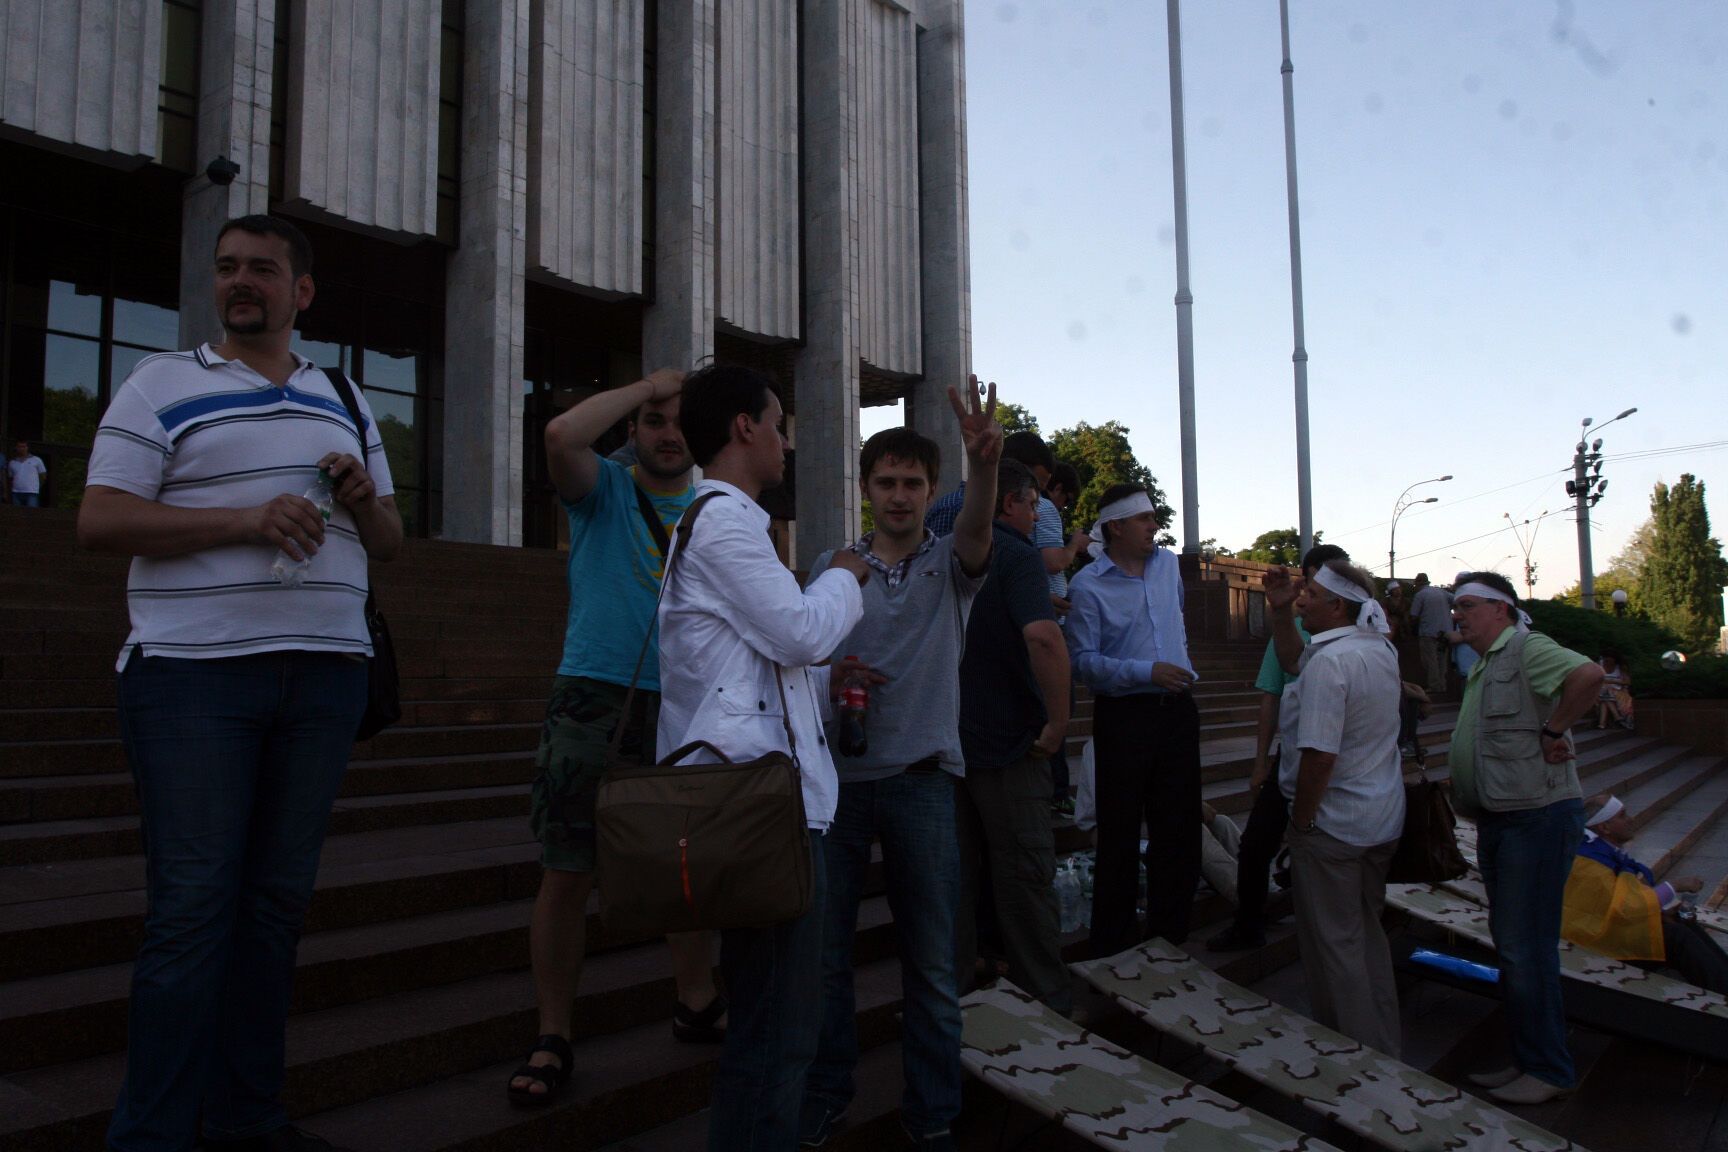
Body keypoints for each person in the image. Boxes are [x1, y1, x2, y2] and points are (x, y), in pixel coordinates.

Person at [78, 214, 402, 1152]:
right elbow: (98, 521)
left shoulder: (344, 393)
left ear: (303, 292)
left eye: (262, 269)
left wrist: (359, 498)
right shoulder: (162, 383)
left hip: (327, 676)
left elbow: (388, 547)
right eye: (227, 269)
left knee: (272, 913)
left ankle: (248, 1117)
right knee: (192, 914)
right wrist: (244, 519)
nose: (240, 283)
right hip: (193, 680)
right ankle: (152, 1134)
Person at [655, 364, 870, 1152]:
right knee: (778, 1029)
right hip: (759, 810)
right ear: (744, 427)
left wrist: (821, 675)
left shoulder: (724, 523)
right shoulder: (721, 521)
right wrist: (846, 575)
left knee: (773, 1020)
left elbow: (761, 663)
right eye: (777, 422)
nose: (785, 441)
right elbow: (801, 630)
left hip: (763, 801)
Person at [507, 369, 723, 1105]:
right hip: (594, 698)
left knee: (683, 871)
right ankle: (553, 1033)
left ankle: (697, 1002)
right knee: (568, 869)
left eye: (678, 422)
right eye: (652, 421)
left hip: (686, 706)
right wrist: (651, 385)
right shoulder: (603, 489)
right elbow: (561, 434)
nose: (666, 434)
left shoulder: (715, 507)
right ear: (633, 429)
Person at [798, 387, 1000, 1152]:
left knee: (933, 966)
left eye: (913, 483)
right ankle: (826, 1096)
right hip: (839, 787)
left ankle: (933, 1115)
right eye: (886, 482)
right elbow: (806, 650)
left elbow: (979, 526)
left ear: (929, 491)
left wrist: (985, 467)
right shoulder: (835, 564)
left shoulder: (951, 564)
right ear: (866, 489)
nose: (899, 495)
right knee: (825, 963)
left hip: (921, 781)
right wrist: (836, 664)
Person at [1446, 571, 1604, 1107]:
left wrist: (1554, 730)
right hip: (1504, 820)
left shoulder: (1527, 648)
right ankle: (1527, 1057)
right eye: (1454, 608)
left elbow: (1588, 675)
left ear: (1501, 609)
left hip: (1536, 820)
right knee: (1516, 949)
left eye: (1466, 605)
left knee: (1526, 950)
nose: (1458, 616)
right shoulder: (1487, 663)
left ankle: (1548, 1068)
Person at [955, 459, 1073, 1015]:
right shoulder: (1019, 557)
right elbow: (1044, 639)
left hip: (950, 742)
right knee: (1026, 876)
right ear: (1009, 504)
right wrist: (1057, 721)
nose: (1035, 513)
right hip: (1009, 742)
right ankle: (1043, 1002)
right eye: (1031, 504)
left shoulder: (939, 548)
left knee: (955, 879)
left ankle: (954, 994)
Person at [1066, 483, 1201, 954]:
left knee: (1178, 827)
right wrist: (1147, 671)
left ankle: (1170, 934)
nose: (1154, 527)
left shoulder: (1167, 567)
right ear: (1116, 527)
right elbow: (1083, 662)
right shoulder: (1087, 585)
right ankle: (1112, 938)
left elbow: (1174, 620)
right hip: (1125, 716)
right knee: (1119, 829)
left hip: (1178, 711)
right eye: (1144, 519)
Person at [1278, 560, 1406, 1056]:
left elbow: (1319, 755)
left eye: (1309, 592)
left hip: (1334, 828)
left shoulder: (1332, 662)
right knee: (1367, 940)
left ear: (1336, 604)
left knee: (1335, 952)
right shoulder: (1380, 650)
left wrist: (1302, 820)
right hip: (1380, 821)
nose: (1300, 599)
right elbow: (1292, 659)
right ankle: (1386, 1048)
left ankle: (1359, 1069)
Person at [1206, 543, 1349, 953]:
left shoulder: (1366, 639)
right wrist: (1259, 764)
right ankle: (1250, 923)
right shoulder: (1295, 634)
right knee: (1256, 845)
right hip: (1295, 760)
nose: (1312, 591)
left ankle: (1328, 929)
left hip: (1338, 766)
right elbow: (1278, 683)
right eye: (1312, 581)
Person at [1563, 794, 1727, 994]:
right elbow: (1626, 908)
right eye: (1622, 816)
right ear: (1604, 828)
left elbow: (1622, 899)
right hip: (1597, 939)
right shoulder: (1590, 862)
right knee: (1678, 937)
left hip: (1608, 926)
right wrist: (1674, 885)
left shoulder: (1599, 849)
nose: (1630, 819)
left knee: (1680, 919)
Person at [1042, 461, 1087, 814]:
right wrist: (1075, 545)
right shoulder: (1045, 509)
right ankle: (1056, 791)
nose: (1062, 506)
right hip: (1047, 621)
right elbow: (1053, 562)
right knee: (1059, 707)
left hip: (1044, 614)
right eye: (1066, 499)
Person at [1408, 572, 1453, 696]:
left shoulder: (1420, 595)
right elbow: (1456, 599)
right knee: (1442, 660)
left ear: (1417, 584)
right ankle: (1442, 685)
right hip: (1445, 632)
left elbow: (1414, 615)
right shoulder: (1441, 592)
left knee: (1430, 660)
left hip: (1428, 632)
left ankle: (1434, 686)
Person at [1596, 651, 1634, 730]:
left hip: (1617, 690)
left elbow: (1627, 682)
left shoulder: (1619, 667)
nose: (1607, 662)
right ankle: (1617, 717)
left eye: (1609, 660)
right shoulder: (1599, 665)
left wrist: (1611, 681)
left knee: (1605, 699)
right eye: (1606, 660)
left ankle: (1602, 724)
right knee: (1606, 691)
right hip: (1602, 691)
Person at [5, 439, 47, 506]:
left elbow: (43, 476)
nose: (22, 448)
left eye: (24, 446)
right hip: (16, 492)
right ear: (16, 448)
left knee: (31, 513)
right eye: (20, 446)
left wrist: (37, 486)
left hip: (32, 492)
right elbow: (10, 478)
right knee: (17, 514)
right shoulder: (12, 462)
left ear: (27, 448)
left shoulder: (36, 460)